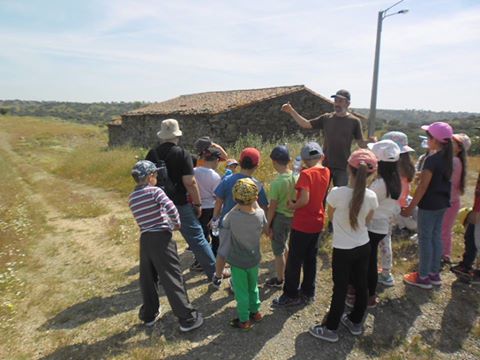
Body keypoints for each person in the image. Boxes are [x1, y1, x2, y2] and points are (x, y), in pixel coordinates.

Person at [309, 149, 378, 342]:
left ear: (349, 168)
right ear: (371, 173)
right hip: (363, 246)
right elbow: (368, 221)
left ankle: (331, 328)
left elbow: (330, 216)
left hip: (343, 249)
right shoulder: (372, 196)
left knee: (340, 288)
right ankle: (356, 322)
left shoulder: (337, 193)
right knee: (361, 283)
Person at [128, 160, 203, 332]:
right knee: (171, 277)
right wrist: (175, 224)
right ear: (149, 177)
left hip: (145, 238)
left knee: (148, 278)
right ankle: (187, 318)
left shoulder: (132, 197)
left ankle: (149, 314)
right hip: (161, 237)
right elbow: (171, 208)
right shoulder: (155, 192)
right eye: (154, 175)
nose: (156, 177)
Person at [145, 119, 217, 281]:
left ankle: (162, 277)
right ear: (177, 135)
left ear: (162, 135)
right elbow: (189, 182)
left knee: (160, 241)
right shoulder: (182, 153)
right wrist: (197, 204)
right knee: (197, 237)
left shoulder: (152, 154)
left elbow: (147, 180)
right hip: (178, 203)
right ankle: (214, 273)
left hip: (157, 203)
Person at [272, 142, 330, 307]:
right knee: (310, 259)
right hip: (318, 221)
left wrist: (293, 205)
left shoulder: (306, 174)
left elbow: (304, 200)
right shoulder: (326, 171)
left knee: (294, 261)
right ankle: (308, 291)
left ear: (304, 159)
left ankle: (291, 294)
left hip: (303, 223)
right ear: (322, 157)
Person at [346, 140, 401, 309]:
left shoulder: (378, 185)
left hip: (371, 227)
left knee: (366, 262)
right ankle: (368, 293)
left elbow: (363, 202)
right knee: (370, 260)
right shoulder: (394, 179)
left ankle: (365, 294)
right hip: (382, 226)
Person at [281, 89, 372, 187]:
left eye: (340, 101)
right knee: (321, 197)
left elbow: (361, 143)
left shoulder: (354, 121)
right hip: (325, 165)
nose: (337, 104)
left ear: (348, 103)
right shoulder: (326, 118)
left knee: (339, 199)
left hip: (343, 167)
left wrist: (370, 142)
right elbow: (306, 124)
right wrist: (291, 111)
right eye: (336, 100)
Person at [402, 122, 454, 289]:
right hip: (442, 204)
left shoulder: (431, 160)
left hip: (429, 205)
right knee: (436, 238)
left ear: (435, 140)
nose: (427, 140)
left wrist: (410, 208)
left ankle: (423, 277)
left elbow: (423, 187)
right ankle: (434, 274)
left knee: (425, 240)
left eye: (428, 137)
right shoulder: (449, 158)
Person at [211, 147, 269, 288]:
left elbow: (218, 200)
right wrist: (264, 224)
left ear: (240, 162)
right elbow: (264, 207)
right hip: (247, 225)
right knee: (243, 254)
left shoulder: (227, 180)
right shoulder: (257, 184)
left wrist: (214, 218)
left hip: (227, 222)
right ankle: (237, 282)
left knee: (223, 251)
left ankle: (217, 277)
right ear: (257, 165)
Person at [219, 178, 268, 330]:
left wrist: (236, 206)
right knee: (253, 286)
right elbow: (265, 224)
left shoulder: (233, 217)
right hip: (254, 258)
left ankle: (244, 319)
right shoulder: (260, 214)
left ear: (234, 198)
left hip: (238, 261)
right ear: (256, 198)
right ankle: (256, 312)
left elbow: (224, 222)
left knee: (241, 291)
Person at [377, 131, 416, 286]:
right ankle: (386, 270)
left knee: (384, 242)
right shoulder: (407, 169)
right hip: (395, 209)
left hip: (385, 210)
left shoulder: (394, 171)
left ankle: (386, 273)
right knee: (387, 239)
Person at [265, 145, 297, 288]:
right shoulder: (297, 176)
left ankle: (279, 279)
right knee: (286, 244)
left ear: (274, 162)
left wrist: (267, 225)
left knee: (278, 250)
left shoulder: (277, 182)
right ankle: (290, 272)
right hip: (294, 217)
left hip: (280, 218)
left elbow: (272, 207)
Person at [440, 133, 471, 264]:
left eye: (453, 142)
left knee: (443, 230)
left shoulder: (453, 162)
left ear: (459, 148)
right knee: (445, 229)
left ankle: (444, 254)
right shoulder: (458, 161)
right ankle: (444, 253)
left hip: (448, 201)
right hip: (452, 201)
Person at [193, 146, 222, 267]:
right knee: (215, 235)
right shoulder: (215, 176)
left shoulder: (194, 171)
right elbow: (218, 197)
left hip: (198, 207)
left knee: (201, 236)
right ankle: (214, 257)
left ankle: (199, 260)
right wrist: (217, 215)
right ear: (216, 160)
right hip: (212, 209)